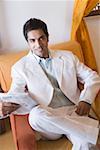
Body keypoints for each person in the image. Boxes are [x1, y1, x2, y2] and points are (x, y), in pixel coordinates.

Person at [0, 18, 100, 150]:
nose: (38, 44)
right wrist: (4, 106)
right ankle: (94, 130)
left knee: (86, 144)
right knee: (35, 116)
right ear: (28, 42)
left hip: (74, 112)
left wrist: (86, 100)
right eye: (32, 40)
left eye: (41, 38)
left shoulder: (68, 57)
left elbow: (92, 77)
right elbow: (15, 94)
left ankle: (89, 132)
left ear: (47, 38)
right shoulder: (20, 68)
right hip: (48, 120)